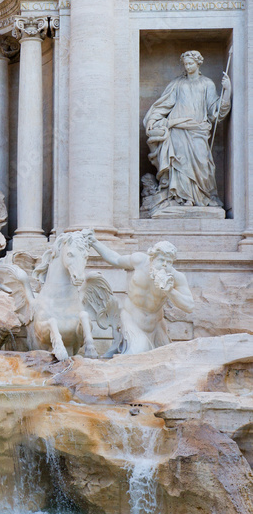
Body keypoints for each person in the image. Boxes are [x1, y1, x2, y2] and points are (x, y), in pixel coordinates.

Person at [143, 50, 231, 212]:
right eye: (185, 64)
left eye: (191, 63)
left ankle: (203, 196)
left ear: (198, 63)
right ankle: (183, 198)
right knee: (179, 163)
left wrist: (227, 92)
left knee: (203, 163)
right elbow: (164, 104)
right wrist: (153, 118)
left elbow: (215, 111)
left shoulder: (207, 84)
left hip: (198, 129)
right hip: (177, 129)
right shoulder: (178, 84)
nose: (188, 66)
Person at [90, 239, 194, 355]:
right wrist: (94, 242)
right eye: (161, 260)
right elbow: (115, 259)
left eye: (168, 262)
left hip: (156, 326)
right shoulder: (139, 261)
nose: (164, 265)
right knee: (138, 354)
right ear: (152, 258)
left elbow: (189, 306)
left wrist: (170, 291)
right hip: (132, 321)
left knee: (164, 357)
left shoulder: (176, 277)